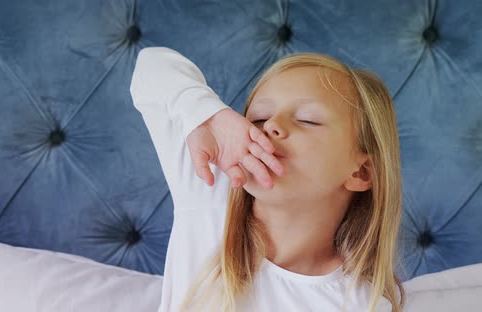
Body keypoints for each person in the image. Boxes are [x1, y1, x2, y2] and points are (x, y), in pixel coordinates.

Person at [130, 46, 405, 312]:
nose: (271, 125)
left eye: (307, 120)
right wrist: (209, 117)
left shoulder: (359, 304)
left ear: (361, 172)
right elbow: (151, 65)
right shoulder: (209, 188)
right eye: (259, 118)